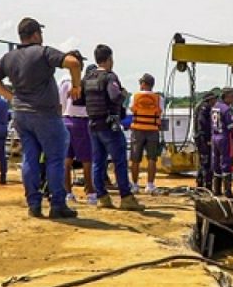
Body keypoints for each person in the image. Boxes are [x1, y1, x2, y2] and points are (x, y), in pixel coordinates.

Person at [0, 17, 83, 219]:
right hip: (45, 114)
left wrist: (10, 97)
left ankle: (34, 204)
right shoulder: (43, 52)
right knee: (55, 158)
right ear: (36, 34)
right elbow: (73, 62)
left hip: (21, 114)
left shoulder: (9, 57)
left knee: (29, 157)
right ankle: (57, 204)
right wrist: (76, 86)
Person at [83, 44, 145, 211]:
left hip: (93, 124)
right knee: (119, 161)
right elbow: (115, 96)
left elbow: (79, 100)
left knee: (98, 162)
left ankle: (102, 196)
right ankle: (126, 197)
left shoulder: (88, 77)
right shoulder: (110, 77)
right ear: (109, 59)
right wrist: (124, 94)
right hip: (109, 125)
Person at [60, 65, 95, 203]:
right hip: (81, 121)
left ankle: (68, 192)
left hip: (65, 119)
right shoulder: (86, 84)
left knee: (66, 160)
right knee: (87, 160)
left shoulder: (64, 81)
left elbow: (60, 102)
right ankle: (90, 193)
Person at [129, 73, 164, 194]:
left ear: (143, 84)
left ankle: (135, 185)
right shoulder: (159, 98)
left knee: (135, 159)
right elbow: (160, 112)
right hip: (153, 130)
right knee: (152, 159)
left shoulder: (135, 96)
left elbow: (131, 108)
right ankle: (150, 185)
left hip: (137, 130)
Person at [210, 87, 233, 198]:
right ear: (226, 96)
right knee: (227, 163)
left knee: (216, 164)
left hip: (215, 137)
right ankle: (228, 191)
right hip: (225, 138)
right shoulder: (227, 109)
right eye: (232, 96)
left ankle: (217, 190)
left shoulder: (215, 107)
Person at [193, 90, 217, 190]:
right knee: (207, 163)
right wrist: (208, 138)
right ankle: (207, 186)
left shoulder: (200, 106)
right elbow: (203, 123)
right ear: (210, 99)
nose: (215, 101)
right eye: (214, 99)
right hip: (203, 139)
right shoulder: (205, 108)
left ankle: (200, 185)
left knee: (203, 162)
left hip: (200, 138)